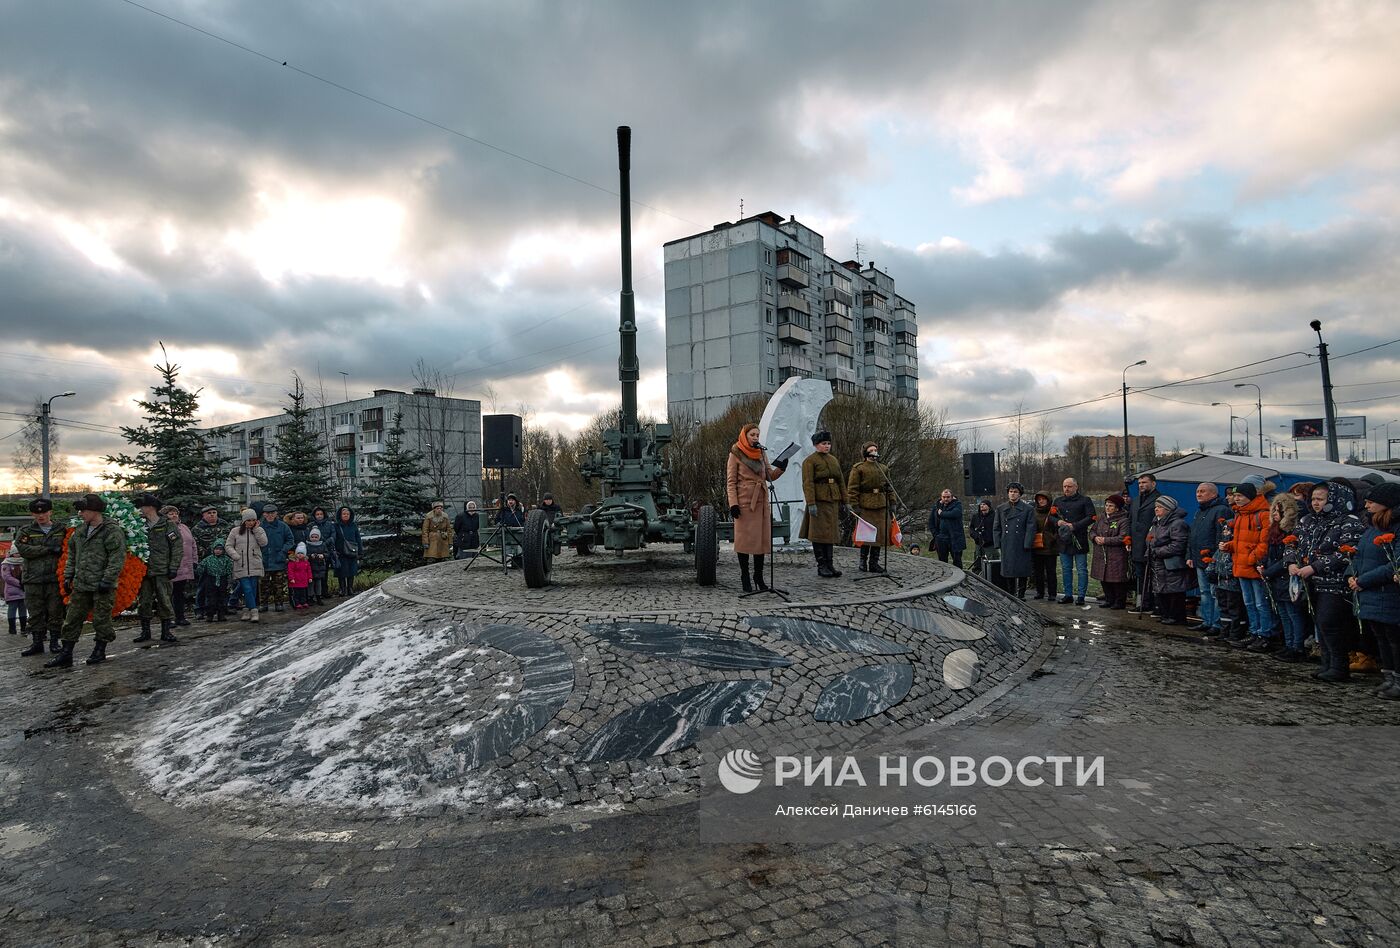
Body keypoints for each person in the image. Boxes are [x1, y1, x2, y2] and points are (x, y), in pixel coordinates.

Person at [1293, 481, 1364, 683]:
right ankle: (1327, 664)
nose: (1316, 503)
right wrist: (1291, 561)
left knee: (1330, 623)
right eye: (1313, 498)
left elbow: (1348, 552)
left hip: (1335, 583)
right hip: (1311, 581)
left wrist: (1315, 566)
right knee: (1320, 623)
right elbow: (1294, 542)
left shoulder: (1349, 521)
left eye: (1320, 499)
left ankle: (1339, 666)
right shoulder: (1307, 520)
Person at [49, 493, 126, 668]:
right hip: (82, 583)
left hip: (102, 585)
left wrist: (108, 580)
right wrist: (68, 576)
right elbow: (72, 555)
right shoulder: (80, 531)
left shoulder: (112, 531)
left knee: (101, 619)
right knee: (72, 618)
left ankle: (99, 650)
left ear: (94, 511)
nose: (80, 514)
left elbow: (117, 558)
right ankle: (66, 653)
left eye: (83, 510)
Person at [1350, 481, 1400, 699]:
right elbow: (1359, 554)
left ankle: (1398, 680)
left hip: (1387, 592)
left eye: (1372, 502)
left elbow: (1395, 564)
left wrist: (1363, 580)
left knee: (1394, 638)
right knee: (1380, 636)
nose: (1367, 505)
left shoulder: (1396, 527)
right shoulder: (1373, 526)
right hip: (1369, 590)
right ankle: (1388, 678)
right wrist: (1351, 575)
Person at [728, 423, 790, 591]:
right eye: (752, 435)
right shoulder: (735, 453)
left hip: (761, 502)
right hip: (744, 502)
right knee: (744, 541)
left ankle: (759, 577)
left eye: (757, 435)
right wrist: (733, 504)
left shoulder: (761, 452)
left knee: (760, 542)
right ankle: (745, 577)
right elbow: (731, 482)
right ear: (744, 436)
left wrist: (782, 467)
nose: (756, 438)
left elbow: (770, 475)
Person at [1221, 482, 1273, 651]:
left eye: (1239, 496)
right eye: (1235, 496)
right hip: (1241, 564)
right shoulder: (1240, 514)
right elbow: (1240, 540)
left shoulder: (1263, 514)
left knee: (1260, 603)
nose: (1236, 499)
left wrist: (1251, 558)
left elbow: (1264, 542)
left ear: (1249, 497)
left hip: (1253, 566)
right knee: (1249, 602)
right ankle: (1254, 632)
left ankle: (1264, 635)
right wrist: (1229, 546)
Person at [15, 497, 66, 656]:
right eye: (37, 513)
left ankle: (54, 642)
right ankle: (37, 643)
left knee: (55, 612)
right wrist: (48, 549)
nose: (41, 516)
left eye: (44, 512)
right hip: (33, 579)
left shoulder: (60, 529)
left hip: (54, 579)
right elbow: (23, 549)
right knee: (35, 613)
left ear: (50, 512)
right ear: (32, 514)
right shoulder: (26, 531)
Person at [1262, 492, 1306, 661]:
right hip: (1275, 578)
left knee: (1293, 614)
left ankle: (1297, 647)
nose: (1274, 514)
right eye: (1273, 510)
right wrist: (1263, 564)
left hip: (1287, 578)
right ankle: (1288, 645)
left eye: (1278, 511)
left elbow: (1286, 559)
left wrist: (1268, 570)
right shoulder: (1274, 531)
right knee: (1284, 614)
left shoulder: (1293, 532)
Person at [133, 494, 181, 646]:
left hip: (162, 570)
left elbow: (177, 547)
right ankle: (145, 631)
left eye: (142, 506)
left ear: (151, 507)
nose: (140, 509)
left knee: (164, 600)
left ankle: (166, 631)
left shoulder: (167, 525)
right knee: (144, 602)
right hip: (144, 571)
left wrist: (173, 567)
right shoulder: (138, 525)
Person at [1186, 483, 1233, 635]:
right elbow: (1193, 536)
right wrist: (1190, 556)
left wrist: (1216, 559)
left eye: (1202, 491)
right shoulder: (1200, 512)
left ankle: (1217, 623)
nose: (1198, 494)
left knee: (1215, 593)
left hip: (1213, 561)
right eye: (1197, 491)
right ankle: (1207, 621)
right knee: (1204, 592)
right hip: (1199, 559)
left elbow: (1222, 536)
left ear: (1213, 494)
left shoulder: (1221, 510)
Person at [800, 429, 845, 578]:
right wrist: (811, 502)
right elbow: (808, 483)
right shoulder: (810, 461)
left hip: (832, 500)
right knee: (819, 534)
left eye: (828, 443)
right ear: (816, 445)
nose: (827, 446)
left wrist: (846, 500)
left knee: (830, 534)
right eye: (823, 443)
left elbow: (841, 481)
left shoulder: (833, 460)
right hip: (818, 501)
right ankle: (821, 565)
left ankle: (830, 564)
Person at [846, 441, 893, 574]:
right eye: (871, 450)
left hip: (881, 505)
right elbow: (853, 488)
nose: (874, 452)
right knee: (867, 536)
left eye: (875, 450)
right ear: (866, 452)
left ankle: (874, 563)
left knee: (878, 536)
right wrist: (854, 505)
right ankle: (863, 562)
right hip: (866, 506)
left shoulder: (883, 468)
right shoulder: (859, 468)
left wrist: (892, 503)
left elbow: (890, 488)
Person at [1049, 478, 1096, 605]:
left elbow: (1091, 517)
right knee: (1066, 569)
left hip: (1079, 539)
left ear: (1076, 487)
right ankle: (1068, 594)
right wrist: (1057, 522)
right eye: (1064, 486)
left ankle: (1081, 596)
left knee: (1081, 569)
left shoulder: (1085, 500)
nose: (1066, 489)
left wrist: (1074, 525)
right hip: (1064, 540)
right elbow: (1051, 517)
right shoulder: (1058, 501)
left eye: (1069, 486)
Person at [1148, 495, 1192, 625]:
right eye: (1156, 506)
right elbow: (1150, 539)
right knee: (1162, 590)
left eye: (1160, 507)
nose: (1156, 509)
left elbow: (1178, 545)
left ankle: (1175, 617)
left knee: (1174, 591)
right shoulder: (1156, 522)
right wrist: (1149, 550)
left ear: (1168, 508)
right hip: (1158, 563)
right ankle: (1165, 614)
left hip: (1171, 564)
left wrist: (1157, 551)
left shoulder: (1178, 523)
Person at [992, 483, 1036, 598]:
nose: (1012, 494)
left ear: (1020, 494)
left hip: (1021, 544)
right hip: (1007, 543)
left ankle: (1021, 594)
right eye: (1011, 491)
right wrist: (997, 543)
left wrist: (1027, 544)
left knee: (1022, 570)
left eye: (1015, 492)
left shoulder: (1028, 509)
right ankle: (1011, 594)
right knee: (1009, 570)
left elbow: (1031, 528)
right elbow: (996, 527)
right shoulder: (1001, 508)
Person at [1127, 473, 1163, 613]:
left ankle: (1155, 605)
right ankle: (1142, 603)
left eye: (1144, 482)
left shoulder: (1159, 499)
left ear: (1153, 484)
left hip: (1151, 544)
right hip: (1136, 545)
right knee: (1140, 575)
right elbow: (1131, 520)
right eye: (1140, 483)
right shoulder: (1135, 500)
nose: (1141, 485)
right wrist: (1128, 538)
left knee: (1153, 576)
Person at [1091, 493, 1132, 609]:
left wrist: (1105, 540)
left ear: (1117, 508)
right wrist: (1095, 537)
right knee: (1103, 578)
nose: (1107, 508)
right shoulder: (1101, 518)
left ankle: (1119, 602)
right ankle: (1109, 599)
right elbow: (1092, 531)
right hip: (1101, 553)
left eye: (1111, 506)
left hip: (1116, 555)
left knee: (1116, 579)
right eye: (1106, 505)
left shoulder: (1123, 520)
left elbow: (1122, 537)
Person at [227, 508, 267, 622]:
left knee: (253, 588)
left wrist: (257, 530)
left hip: (255, 563)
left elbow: (264, 543)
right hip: (241, 564)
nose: (251, 522)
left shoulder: (259, 530)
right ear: (244, 520)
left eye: (253, 520)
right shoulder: (235, 531)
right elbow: (228, 545)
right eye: (248, 520)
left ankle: (247, 609)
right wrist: (235, 556)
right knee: (247, 588)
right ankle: (254, 611)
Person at [191, 505, 228, 618]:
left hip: (222, 562)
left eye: (214, 512)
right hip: (206, 562)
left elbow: (230, 541)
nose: (212, 514)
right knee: (203, 586)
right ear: (203, 515)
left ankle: (222, 609)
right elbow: (195, 545)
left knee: (223, 587)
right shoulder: (197, 529)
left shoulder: (225, 525)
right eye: (209, 513)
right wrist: (206, 556)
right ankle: (199, 609)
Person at [163, 505, 197, 627]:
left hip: (184, 566)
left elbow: (193, 544)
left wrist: (194, 560)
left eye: (175, 513)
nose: (174, 515)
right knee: (168, 594)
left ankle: (180, 617)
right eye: (170, 513)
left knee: (179, 593)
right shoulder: (164, 528)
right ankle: (169, 619)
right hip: (170, 566)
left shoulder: (184, 528)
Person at [258, 503, 295, 613]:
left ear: (276, 514)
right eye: (267, 513)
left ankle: (279, 603)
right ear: (264, 514)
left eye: (272, 513)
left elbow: (290, 540)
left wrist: (283, 551)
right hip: (264, 560)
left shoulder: (283, 526)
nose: (270, 515)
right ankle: (263, 604)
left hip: (279, 559)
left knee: (278, 584)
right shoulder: (260, 527)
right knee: (263, 585)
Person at [1030, 491, 1059, 601]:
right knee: (1038, 572)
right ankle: (1040, 592)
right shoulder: (1033, 512)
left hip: (1050, 547)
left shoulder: (1053, 512)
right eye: (1039, 499)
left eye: (1043, 499)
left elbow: (1059, 526)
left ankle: (1052, 593)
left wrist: (1053, 538)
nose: (1041, 501)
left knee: (1051, 571)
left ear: (1048, 500)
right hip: (1037, 546)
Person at [928, 489, 966, 568]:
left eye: (948, 497)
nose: (946, 499)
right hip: (941, 538)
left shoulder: (957, 505)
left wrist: (941, 513)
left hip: (955, 538)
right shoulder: (937, 507)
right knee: (942, 562)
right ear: (941, 497)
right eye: (944, 497)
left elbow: (954, 514)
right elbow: (931, 522)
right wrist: (936, 535)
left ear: (952, 497)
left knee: (957, 561)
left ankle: (959, 578)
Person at [197, 540, 233, 622]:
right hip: (210, 580)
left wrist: (230, 581)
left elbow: (229, 571)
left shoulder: (227, 560)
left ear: (223, 550)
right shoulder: (208, 559)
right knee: (210, 598)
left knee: (222, 598)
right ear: (213, 549)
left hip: (222, 579)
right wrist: (200, 570)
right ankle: (210, 615)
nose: (218, 551)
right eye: (216, 549)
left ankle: (221, 614)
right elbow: (200, 568)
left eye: (220, 549)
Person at [332, 506, 362, 596]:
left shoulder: (353, 525)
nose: (346, 515)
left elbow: (358, 538)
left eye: (347, 514)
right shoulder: (336, 526)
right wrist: (334, 550)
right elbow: (333, 538)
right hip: (340, 552)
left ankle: (350, 588)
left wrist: (360, 551)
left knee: (351, 571)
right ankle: (342, 589)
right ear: (340, 515)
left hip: (352, 551)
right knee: (341, 571)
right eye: (344, 514)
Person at [305, 527, 334, 605]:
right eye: (312, 537)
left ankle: (318, 597)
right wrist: (310, 556)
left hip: (320, 567)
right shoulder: (307, 545)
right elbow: (305, 555)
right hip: (310, 567)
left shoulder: (322, 544)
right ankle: (310, 597)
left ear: (319, 537)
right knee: (310, 583)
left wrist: (323, 555)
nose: (314, 539)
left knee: (318, 583)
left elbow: (327, 554)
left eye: (316, 537)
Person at [2, 547, 26, 636]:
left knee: (23, 609)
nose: (18, 555)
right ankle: (12, 629)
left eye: (19, 553)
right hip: (12, 591)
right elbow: (7, 577)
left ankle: (23, 628)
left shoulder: (23, 562)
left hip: (22, 591)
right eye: (16, 553)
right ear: (12, 554)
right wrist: (19, 583)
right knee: (12, 609)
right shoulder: (6, 563)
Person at [968, 499, 996, 573]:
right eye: (981, 504)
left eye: (984, 504)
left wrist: (990, 538)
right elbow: (971, 528)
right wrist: (975, 536)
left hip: (990, 544)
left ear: (989, 506)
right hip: (979, 543)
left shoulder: (994, 516)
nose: (982, 505)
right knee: (978, 562)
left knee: (992, 563)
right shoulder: (976, 516)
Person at [287, 544, 313, 610]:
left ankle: (303, 602)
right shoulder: (293, 562)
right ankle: (297, 603)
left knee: (303, 593)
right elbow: (290, 571)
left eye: (302, 553)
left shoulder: (306, 562)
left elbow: (309, 570)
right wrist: (291, 578)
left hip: (303, 581)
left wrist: (310, 577)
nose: (300, 554)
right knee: (296, 593)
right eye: (298, 553)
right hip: (295, 581)